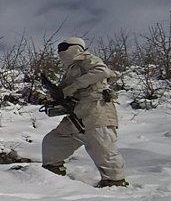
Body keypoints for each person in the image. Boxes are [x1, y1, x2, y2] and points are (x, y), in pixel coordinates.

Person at [41, 37, 128, 187]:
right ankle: (52, 170)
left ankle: (115, 182)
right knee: (53, 140)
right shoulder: (70, 70)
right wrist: (52, 97)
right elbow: (63, 91)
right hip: (76, 113)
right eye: (59, 48)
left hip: (97, 109)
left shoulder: (88, 59)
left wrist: (74, 86)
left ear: (76, 47)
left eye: (64, 47)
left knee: (103, 147)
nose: (60, 51)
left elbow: (102, 71)